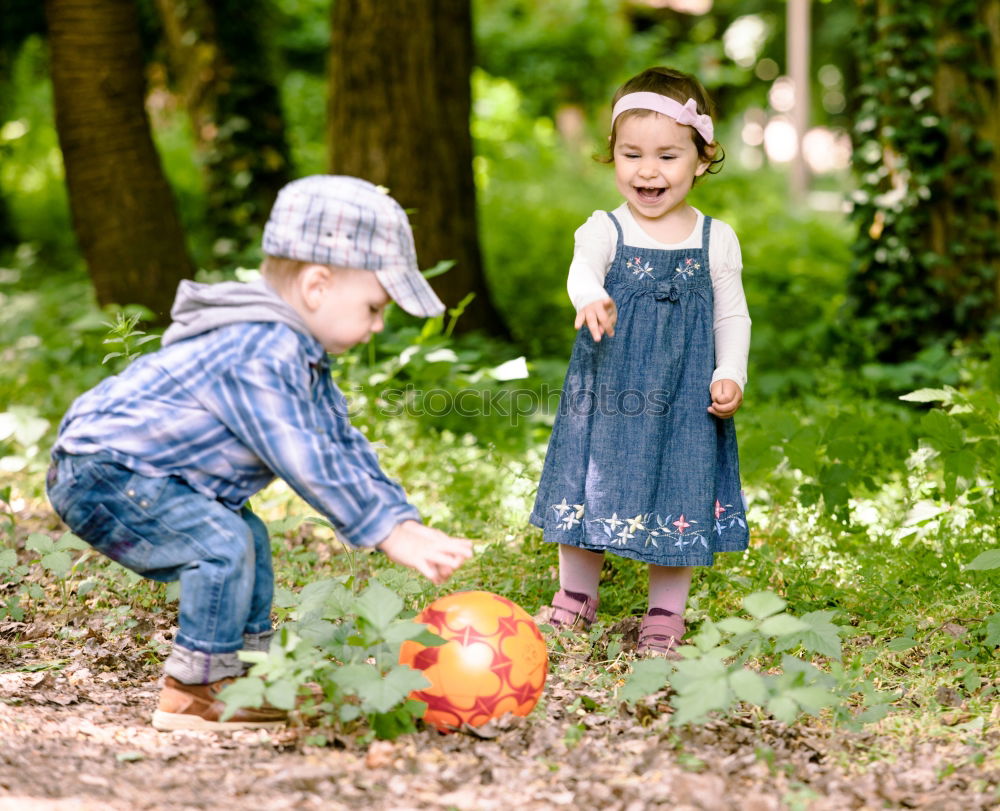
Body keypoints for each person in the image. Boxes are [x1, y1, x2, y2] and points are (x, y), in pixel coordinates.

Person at [46, 176, 474, 730]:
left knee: (246, 536)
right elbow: (303, 454)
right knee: (220, 544)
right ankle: (195, 688)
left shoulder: (296, 351)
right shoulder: (261, 348)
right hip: (103, 469)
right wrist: (385, 532)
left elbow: (338, 442)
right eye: (374, 307)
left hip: (144, 473)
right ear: (317, 286)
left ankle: (247, 675)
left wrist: (400, 519)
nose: (377, 326)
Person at [529, 67, 751, 657]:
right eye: (632, 154)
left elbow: (732, 316)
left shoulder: (715, 239)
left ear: (702, 158)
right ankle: (575, 594)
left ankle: (664, 613)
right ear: (613, 155)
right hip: (610, 390)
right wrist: (590, 296)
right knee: (587, 476)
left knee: (682, 483)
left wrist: (730, 371)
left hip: (684, 395)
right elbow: (581, 270)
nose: (647, 171)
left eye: (668, 156)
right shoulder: (605, 229)